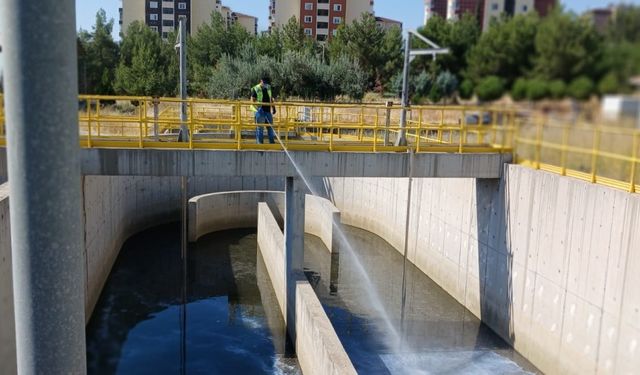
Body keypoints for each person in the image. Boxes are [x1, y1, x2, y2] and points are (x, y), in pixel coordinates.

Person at [250, 77, 277, 144]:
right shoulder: (256, 88)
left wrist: (273, 108)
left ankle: (272, 143)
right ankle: (260, 143)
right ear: (261, 81)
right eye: (264, 83)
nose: (265, 84)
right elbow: (252, 101)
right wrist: (257, 108)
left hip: (268, 111)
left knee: (270, 128)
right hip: (260, 112)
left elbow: (271, 98)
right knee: (260, 129)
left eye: (266, 83)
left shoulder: (268, 87)